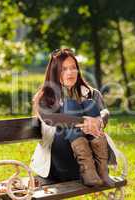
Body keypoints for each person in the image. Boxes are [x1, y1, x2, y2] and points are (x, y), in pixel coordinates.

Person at [30, 48, 116, 187]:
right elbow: (50, 118)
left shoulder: (91, 94)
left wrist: (100, 120)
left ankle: (100, 170)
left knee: (90, 104)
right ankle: (89, 168)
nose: (70, 72)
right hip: (59, 165)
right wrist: (83, 121)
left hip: (89, 168)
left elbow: (105, 111)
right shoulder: (46, 96)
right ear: (55, 72)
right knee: (71, 106)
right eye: (64, 69)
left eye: (73, 68)